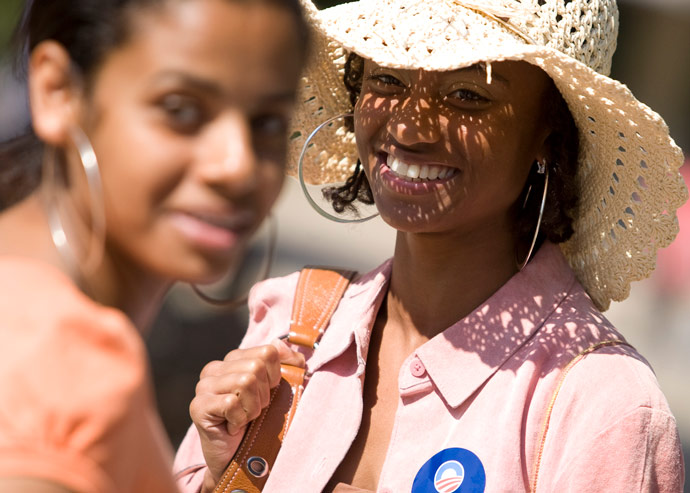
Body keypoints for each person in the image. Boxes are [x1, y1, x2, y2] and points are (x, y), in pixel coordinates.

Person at [174, 0, 687, 491]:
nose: (407, 127)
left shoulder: (599, 406)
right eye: (389, 78)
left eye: (467, 95)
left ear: (549, 137)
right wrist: (226, 474)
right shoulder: (286, 325)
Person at [0, 0, 308, 490]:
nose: (238, 164)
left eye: (266, 122)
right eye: (181, 110)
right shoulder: (63, 361)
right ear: (56, 91)